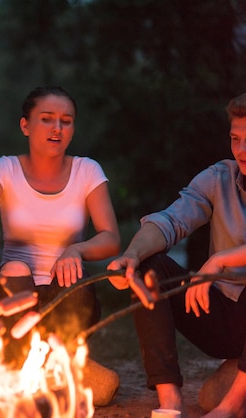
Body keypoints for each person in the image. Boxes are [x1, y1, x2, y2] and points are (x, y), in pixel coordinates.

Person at [0, 86, 121, 401]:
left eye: (66, 121)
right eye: (46, 119)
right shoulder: (5, 168)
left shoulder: (87, 171)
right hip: (15, 294)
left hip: (68, 293)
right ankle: (19, 368)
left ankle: (55, 369)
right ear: (25, 126)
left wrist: (75, 250)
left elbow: (111, 238)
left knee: (72, 284)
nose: (57, 129)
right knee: (16, 267)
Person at [108, 93, 246, 418]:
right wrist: (131, 254)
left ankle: (231, 405)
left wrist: (220, 260)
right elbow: (169, 221)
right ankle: (170, 400)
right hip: (222, 313)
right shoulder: (219, 178)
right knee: (147, 267)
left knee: (216, 399)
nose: (241, 150)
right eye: (235, 138)